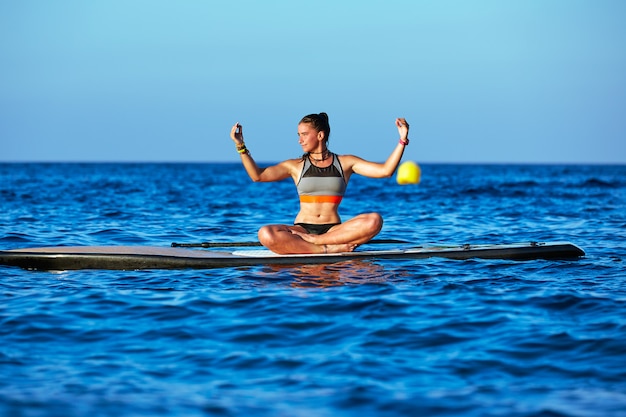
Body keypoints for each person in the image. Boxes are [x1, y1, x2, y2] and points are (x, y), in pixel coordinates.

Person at [229, 113, 410, 255]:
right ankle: (325, 249)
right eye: (299, 135)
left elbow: (385, 171)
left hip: (334, 230)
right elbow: (258, 176)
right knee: (266, 233)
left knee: (374, 220)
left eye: (304, 134)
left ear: (320, 135)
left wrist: (402, 140)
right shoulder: (295, 166)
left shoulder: (345, 163)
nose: (300, 140)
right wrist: (240, 146)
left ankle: (318, 242)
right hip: (302, 228)